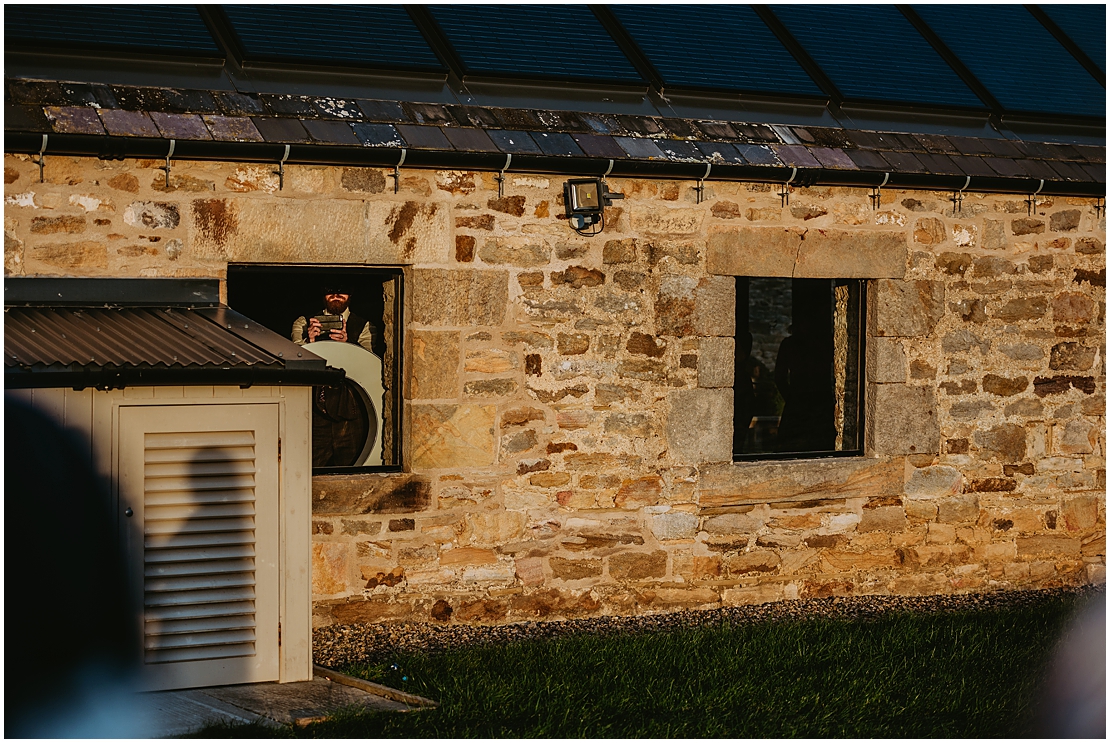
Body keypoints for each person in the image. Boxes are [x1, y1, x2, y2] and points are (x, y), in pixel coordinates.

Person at [292, 286, 378, 467]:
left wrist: (348, 344)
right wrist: (310, 343)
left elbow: (370, 367)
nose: (336, 295)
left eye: (343, 289)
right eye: (330, 289)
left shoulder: (365, 326)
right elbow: (293, 363)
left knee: (352, 470)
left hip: (351, 412)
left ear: (351, 294)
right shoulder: (303, 323)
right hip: (314, 410)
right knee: (309, 470)